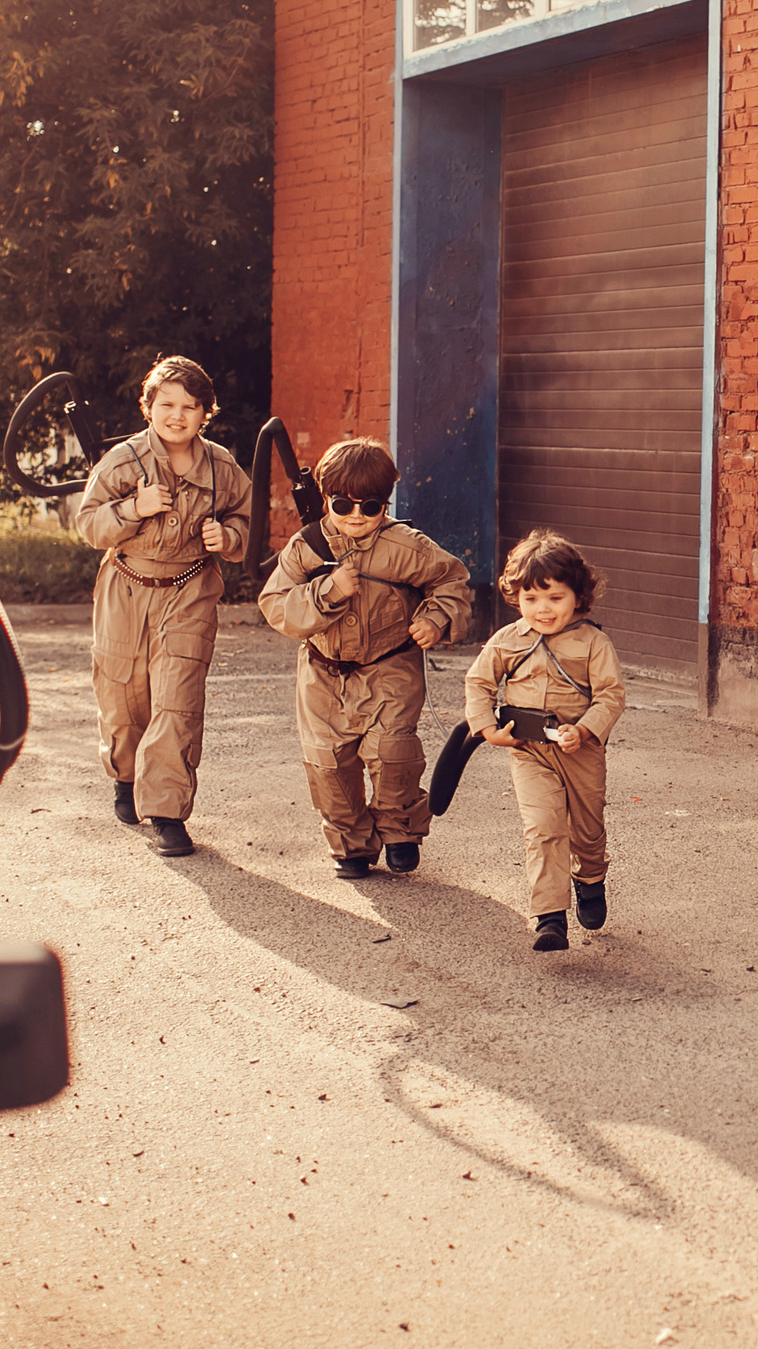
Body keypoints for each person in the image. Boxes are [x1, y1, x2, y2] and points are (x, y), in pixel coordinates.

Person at [257, 438, 474, 878]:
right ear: (325, 499)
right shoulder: (307, 548)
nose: (356, 514)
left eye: (370, 505)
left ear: (386, 504)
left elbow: (452, 583)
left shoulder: (407, 546)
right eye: (343, 503)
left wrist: (436, 618)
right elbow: (275, 605)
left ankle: (398, 832)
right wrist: (328, 590)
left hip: (390, 666)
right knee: (328, 762)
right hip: (323, 672)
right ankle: (350, 843)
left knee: (393, 753)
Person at [76, 355, 252, 856]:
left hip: (190, 588)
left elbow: (248, 519)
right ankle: (127, 779)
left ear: (205, 414)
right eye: (167, 404)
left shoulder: (221, 466)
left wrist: (230, 536)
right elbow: (89, 526)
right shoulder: (122, 461)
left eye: (190, 406)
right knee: (124, 697)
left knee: (177, 699)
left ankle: (168, 812)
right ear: (148, 407)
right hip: (125, 586)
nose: (178, 415)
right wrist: (134, 508)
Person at [463, 531, 626, 952]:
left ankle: (590, 879)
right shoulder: (506, 641)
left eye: (554, 597)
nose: (543, 609)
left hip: (581, 753)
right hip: (529, 751)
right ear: (515, 596)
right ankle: (549, 916)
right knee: (543, 828)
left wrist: (585, 729)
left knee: (587, 832)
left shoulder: (593, 642)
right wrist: (486, 729)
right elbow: (478, 683)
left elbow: (611, 695)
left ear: (578, 596)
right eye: (531, 598)